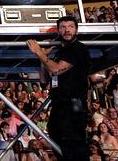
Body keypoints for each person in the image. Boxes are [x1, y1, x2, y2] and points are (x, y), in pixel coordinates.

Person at [27, 15, 91, 161]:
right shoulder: (59, 51)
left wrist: (39, 52)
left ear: (76, 30)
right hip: (59, 103)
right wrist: (42, 58)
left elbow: (56, 70)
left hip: (73, 103)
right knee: (57, 138)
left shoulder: (77, 49)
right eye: (63, 27)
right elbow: (44, 79)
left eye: (70, 27)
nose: (67, 30)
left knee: (73, 144)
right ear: (58, 30)